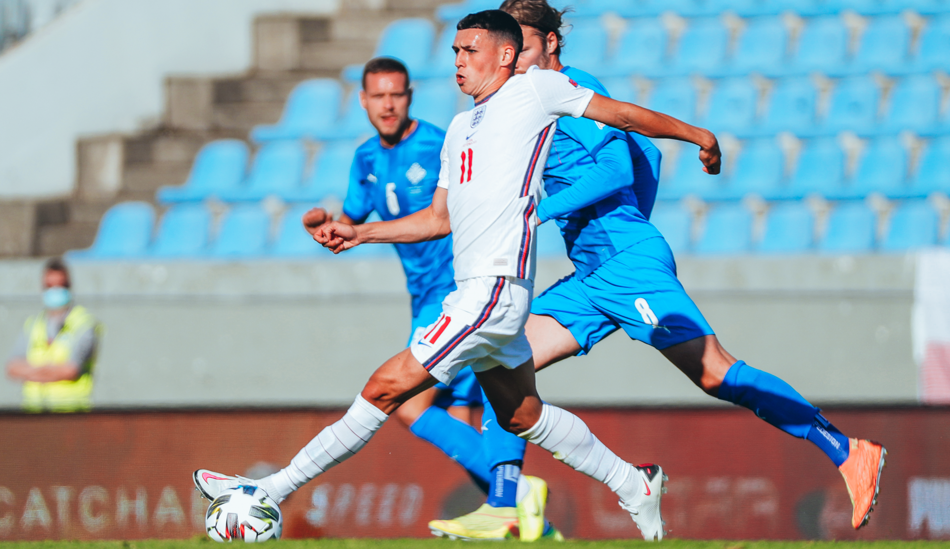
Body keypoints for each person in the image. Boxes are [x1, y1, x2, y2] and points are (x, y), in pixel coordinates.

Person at [194, 10, 721, 542]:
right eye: (455, 52)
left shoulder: (536, 90)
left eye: (470, 51)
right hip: (479, 295)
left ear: (506, 54)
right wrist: (359, 234)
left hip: (492, 293)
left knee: (384, 391)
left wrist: (697, 134)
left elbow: (624, 117)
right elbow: (436, 220)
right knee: (521, 416)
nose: (458, 63)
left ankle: (269, 490)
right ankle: (635, 484)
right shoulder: (461, 128)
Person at [482, 0, 880, 533]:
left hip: (627, 266)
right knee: (500, 363)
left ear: (551, 42)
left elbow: (622, 164)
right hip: (593, 276)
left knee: (715, 372)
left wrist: (554, 214)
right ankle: (509, 506)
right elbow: (652, 157)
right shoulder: (532, 101)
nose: (515, 63)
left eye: (524, 47)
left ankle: (846, 449)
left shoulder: (570, 87)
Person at [300, 56, 561, 541]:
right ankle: (531, 524)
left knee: (408, 405)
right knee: (459, 418)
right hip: (422, 295)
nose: (387, 105)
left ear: (409, 96)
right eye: (377, 96)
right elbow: (353, 220)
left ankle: (520, 496)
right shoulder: (365, 159)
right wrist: (326, 225)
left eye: (395, 94)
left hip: (458, 291)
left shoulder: (440, 139)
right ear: (363, 100)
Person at [5, 257, 101, 413]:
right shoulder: (34, 325)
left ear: (69, 287)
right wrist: (50, 372)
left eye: (60, 286)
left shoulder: (83, 323)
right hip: (34, 415)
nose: (55, 291)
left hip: (71, 414)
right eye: (49, 286)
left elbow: (71, 369)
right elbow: (12, 367)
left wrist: (33, 373)